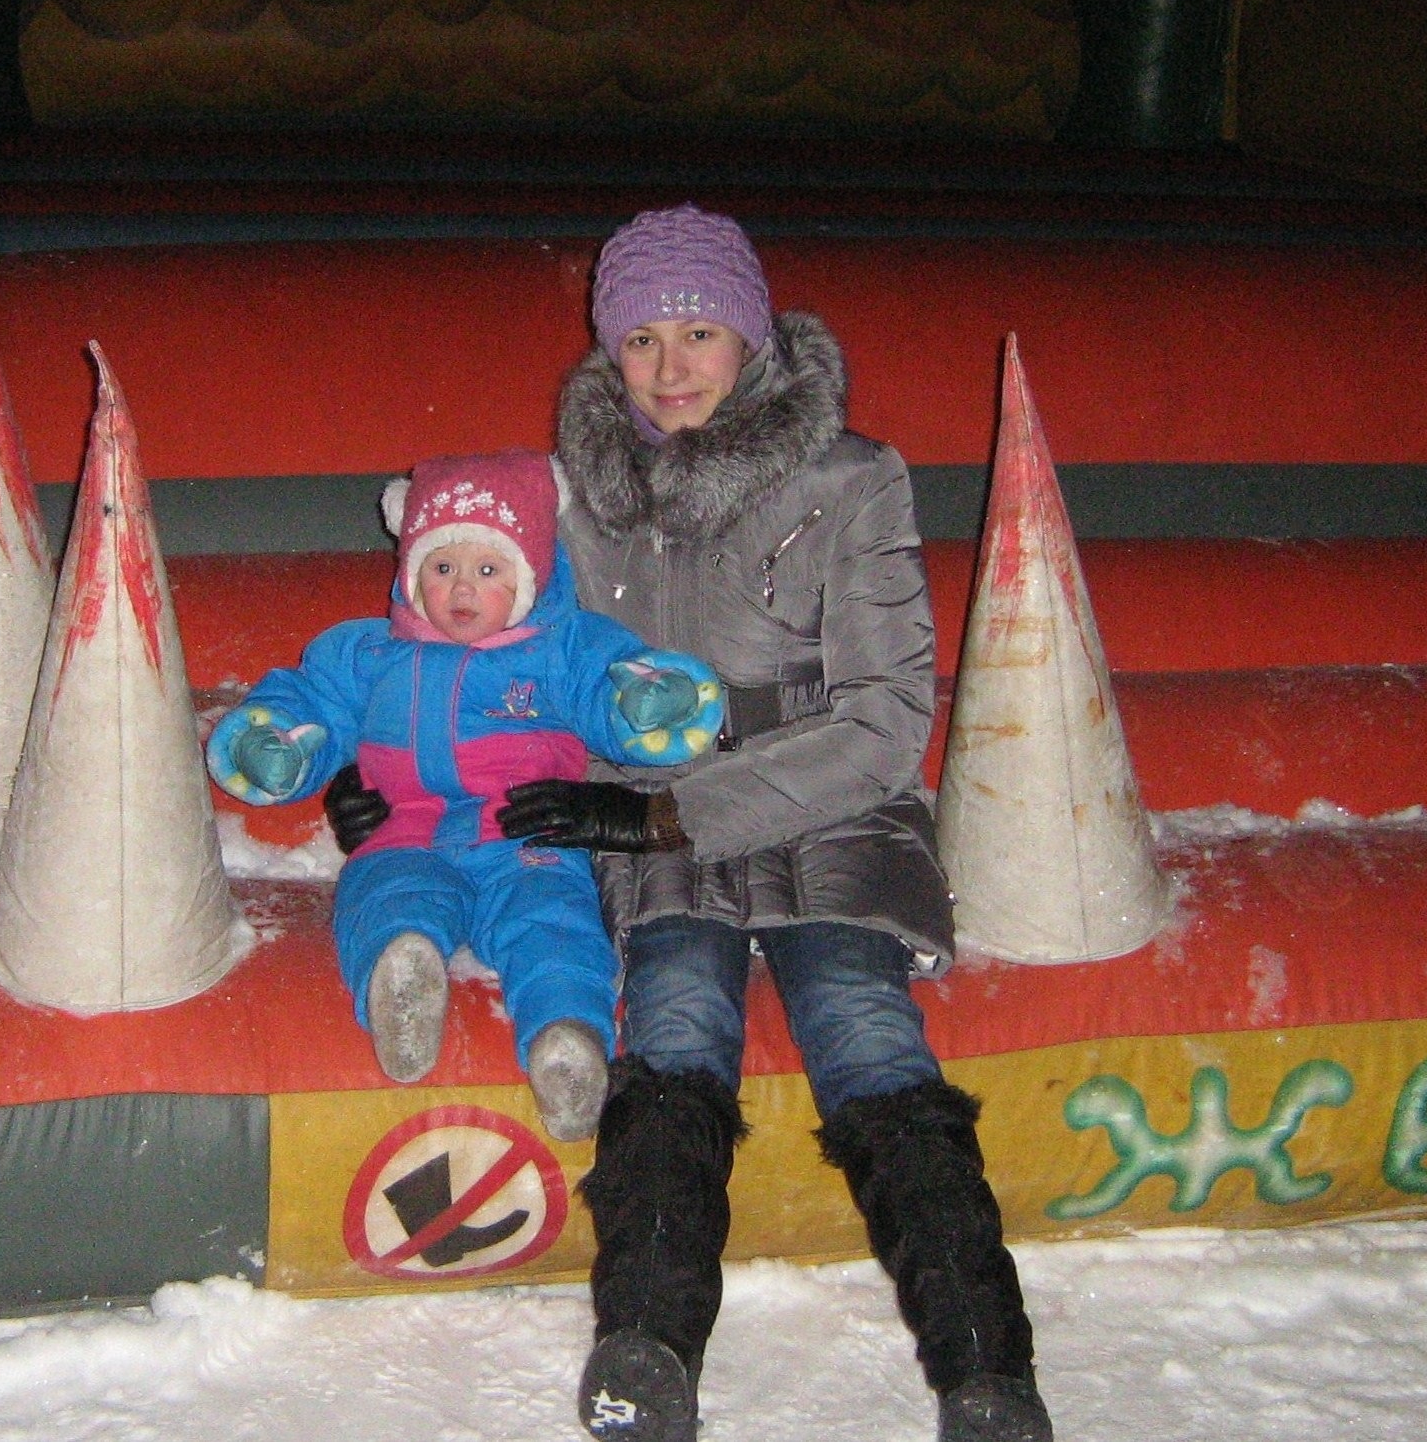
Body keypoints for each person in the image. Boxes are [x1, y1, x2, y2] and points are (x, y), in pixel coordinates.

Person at [330, 205, 1052, 1442]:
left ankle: (985, 1368)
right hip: (641, 821)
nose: (671, 369)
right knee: (672, 1017)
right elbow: (482, 654)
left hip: (823, 809)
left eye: (700, 332)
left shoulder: (851, 479)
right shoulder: (575, 499)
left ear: (752, 336)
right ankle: (646, 1348)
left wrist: (664, 810)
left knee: (862, 1020)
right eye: (642, 340)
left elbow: (884, 720)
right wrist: (385, 773)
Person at [209, 448, 721, 1142]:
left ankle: (567, 1038)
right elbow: (311, 705)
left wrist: (647, 701)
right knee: (387, 896)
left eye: (488, 570)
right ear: (410, 572)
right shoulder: (366, 653)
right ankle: (403, 977)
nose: (461, 589)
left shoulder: (560, 648)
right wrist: (274, 747)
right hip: (406, 829)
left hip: (529, 833)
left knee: (553, 922)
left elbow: (609, 683)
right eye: (442, 567)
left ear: (531, 577)